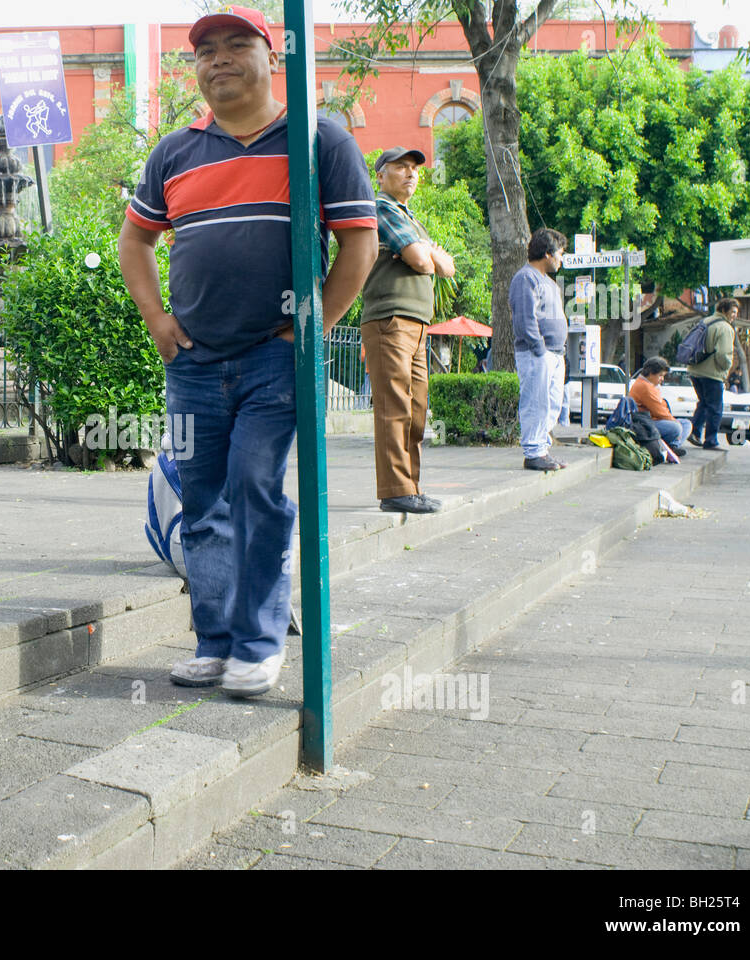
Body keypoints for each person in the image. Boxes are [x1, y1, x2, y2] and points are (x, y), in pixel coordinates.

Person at [117, 5, 377, 697]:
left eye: (237, 45)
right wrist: (157, 320)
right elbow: (134, 241)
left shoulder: (318, 140)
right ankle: (216, 641)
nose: (219, 59)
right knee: (200, 500)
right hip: (192, 364)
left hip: (276, 358)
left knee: (255, 487)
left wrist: (315, 325)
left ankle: (260, 643)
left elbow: (360, 241)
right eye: (206, 50)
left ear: (273, 57)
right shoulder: (174, 151)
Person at [361, 147, 454, 513]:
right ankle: (395, 489)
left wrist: (426, 254)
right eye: (400, 167)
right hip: (390, 318)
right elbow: (421, 260)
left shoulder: (410, 218)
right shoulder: (381, 207)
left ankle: (409, 486)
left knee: (416, 409)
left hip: (415, 322)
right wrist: (425, 253)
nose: (411, 173)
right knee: (394, 405)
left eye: (414, 168)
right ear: (380, 175)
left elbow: (446, 267)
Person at [509, 228, 569, 471]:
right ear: (547, 254)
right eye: (560, 254)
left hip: (554, 353)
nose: (561, 259)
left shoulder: (549, 283)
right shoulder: (526, 278)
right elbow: (524, 319)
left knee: (552, 403)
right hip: (538, 353)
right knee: (536, 401)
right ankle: (533, 451)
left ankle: (541, 449)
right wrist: (539, 348)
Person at [686, 297, 737, 450]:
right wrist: (726, 369)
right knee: (715, 408)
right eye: (733, 312)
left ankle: (694, 432)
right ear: (724, 310)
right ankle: (711, 440)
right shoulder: (725, 328)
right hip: (712, 373)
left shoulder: (705, 321)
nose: (734, 315)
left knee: (703, 403)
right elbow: (723, 354)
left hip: (695, 370)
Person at [629, 355, 690, 455]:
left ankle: (673, 445)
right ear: (651, 373)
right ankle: (672, 446)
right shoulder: (645, 387)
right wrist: (675, 422)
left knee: (686, 424)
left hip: (653, 420)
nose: (662, 379)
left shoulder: (650, 385)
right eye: (660, 375)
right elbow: (660, 412)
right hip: (644, 424)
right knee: (676, 428)